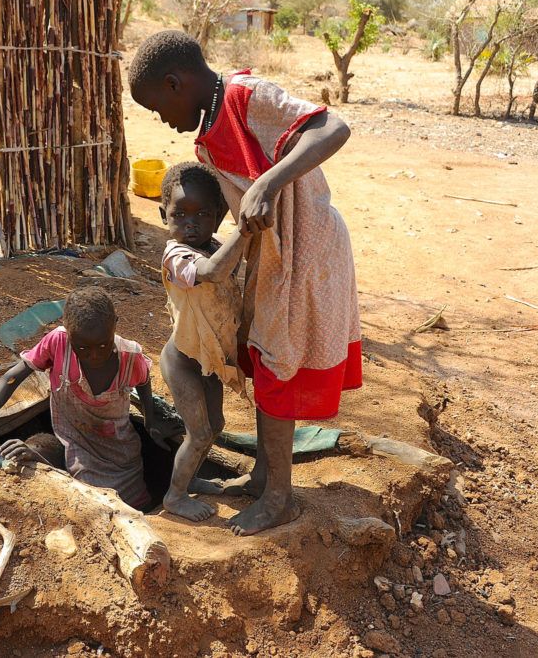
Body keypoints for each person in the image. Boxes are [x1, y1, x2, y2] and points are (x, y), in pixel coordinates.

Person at [129, 30, 363, 536]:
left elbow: (334, 128)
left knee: (278, 363)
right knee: (265, 356)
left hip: (311, 249)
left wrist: (268, 181)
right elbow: (246, 226)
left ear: (175, 83)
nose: (161, 120)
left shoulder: (244, 97)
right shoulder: (205, 142)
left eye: (156, 107)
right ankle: (263, 477)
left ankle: (280, 497)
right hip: (276, 259)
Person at [0, 287, 159, 510]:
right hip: (75, 441)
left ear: (115, 326)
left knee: (136, 506)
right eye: (82, 348)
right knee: (94, 505)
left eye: (103, 345)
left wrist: (151, 421)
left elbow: (144, 382)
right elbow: (10, 379)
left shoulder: (130, 358)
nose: (94, 355)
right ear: (68, 332)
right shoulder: (57, 343)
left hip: (120, 452)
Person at [158, 162, 251, 522]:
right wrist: (244, 229)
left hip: (208, 360)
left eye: (203, 214)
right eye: (179, 214)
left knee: (215, 426)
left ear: (219, 216)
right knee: (198, 434)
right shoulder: (176, 256)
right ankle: (175, 496)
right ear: (163, 215)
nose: (190, 223)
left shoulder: (213, 245)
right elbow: (212, 272)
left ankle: (192, 477)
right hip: (183, 361)